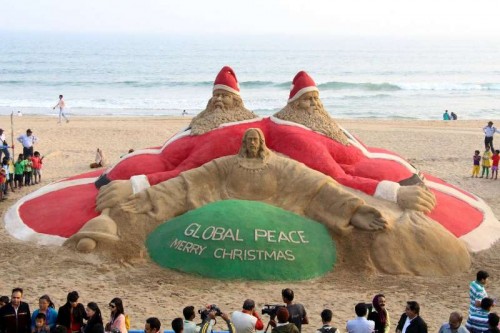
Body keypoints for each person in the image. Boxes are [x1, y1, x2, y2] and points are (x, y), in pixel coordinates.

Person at [70, 128, 388, 253]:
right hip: (220, 211)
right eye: (247, 141)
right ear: (242, 144)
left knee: (319, 190)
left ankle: (356, 216)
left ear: (262, 144)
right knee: (180, 190)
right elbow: (188, 181)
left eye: (256, 141)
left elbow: (318, 184)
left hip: (278, 212)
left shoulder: (280, 166)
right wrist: (145, 194)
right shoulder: (226, 165)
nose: (251, 144)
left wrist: (353, 209)